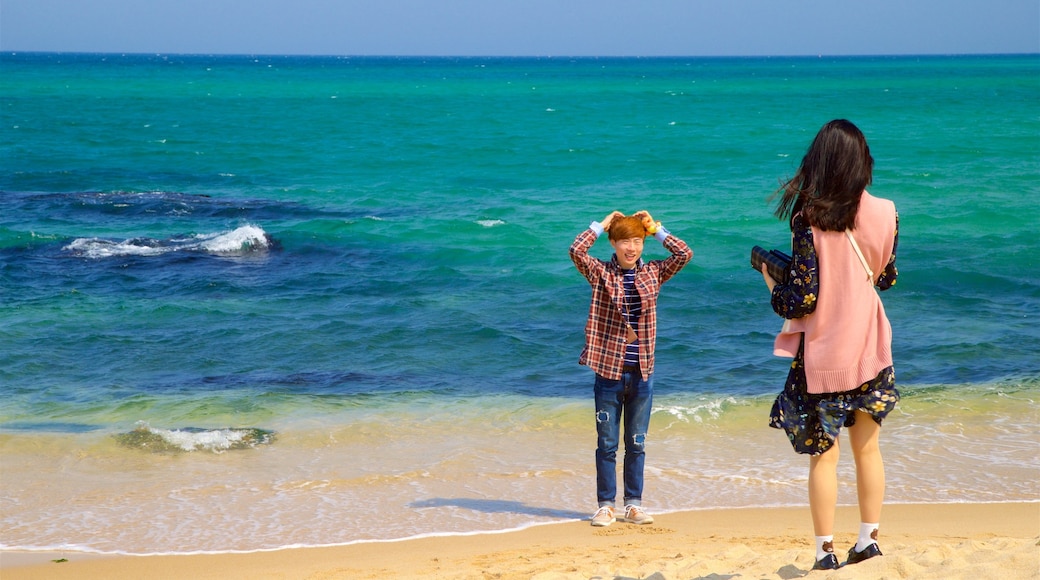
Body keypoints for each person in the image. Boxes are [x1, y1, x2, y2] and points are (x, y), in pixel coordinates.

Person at [759, 119, 900, 570]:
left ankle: (825, 552)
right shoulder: (887, 211)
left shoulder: (809, 218)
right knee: (868, 449)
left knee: (824, 455)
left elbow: (800, 297)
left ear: (819, 161)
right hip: (871, 345)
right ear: (862, 162)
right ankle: (869, 541)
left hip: (823, 352)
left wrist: (769, 282)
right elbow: (888, 278)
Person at [569, 210, 692, 527]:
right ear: (613, 243)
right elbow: (576, 250)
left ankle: (634, 504)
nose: (631, 247)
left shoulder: (654, 272)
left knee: (636, 443)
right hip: (609, 371)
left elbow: (684, 253)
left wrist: (656, 228)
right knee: (607, 444)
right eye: (624, 241)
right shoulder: (600, 273)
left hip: (642, 372)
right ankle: (606, 505)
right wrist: (600, 225)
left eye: (637, 241)